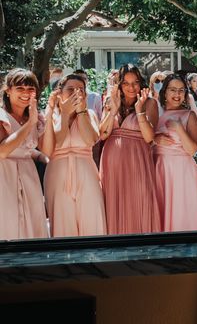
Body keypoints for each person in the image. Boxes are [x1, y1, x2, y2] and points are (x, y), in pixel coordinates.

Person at [99, 64, 161, 234]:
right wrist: (113, 109)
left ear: (141, 83)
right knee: (114, 202)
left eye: (135, 82)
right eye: (126, 83)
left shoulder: (150, 103)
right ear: (120, 85)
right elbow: (103, 134)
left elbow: (149, 138)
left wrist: (139, 111)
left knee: (139, 201)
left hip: (138, 160)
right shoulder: (111, 101)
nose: (131, 87)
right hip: (112, 163)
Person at [43, 74, 106, 237]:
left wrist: (81, 111)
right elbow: (54, 145)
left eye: (80, 90)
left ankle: (96, 261)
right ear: (59, 92)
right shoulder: (50, 114)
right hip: (58, 174)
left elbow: (90, 139)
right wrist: (64, 114)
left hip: (87, 173)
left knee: (92, 220)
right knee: (63, 224)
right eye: (70, 89)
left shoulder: (90, 113)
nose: (75, 93)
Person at [0, 69, 51, 239]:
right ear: (8, 91)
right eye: (20, 88)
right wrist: (30, 124)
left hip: (29, 176)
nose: (26, 93)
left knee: (33, 219)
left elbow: (34, 150)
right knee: (8, 220)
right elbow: (3, 151)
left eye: (30, 89)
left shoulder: (38, 117)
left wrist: (42, 157)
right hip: (5, 175)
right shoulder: (2, 116)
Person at [154, 74, 197, 232]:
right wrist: (155, 139)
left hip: (182, 171)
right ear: (165, 92)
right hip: (159, 169)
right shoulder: (157, 114)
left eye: (181, 90)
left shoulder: (189, 115)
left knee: (181, 213)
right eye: (173, 90)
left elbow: (193, 150)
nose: (177, 94)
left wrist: (180, 129)